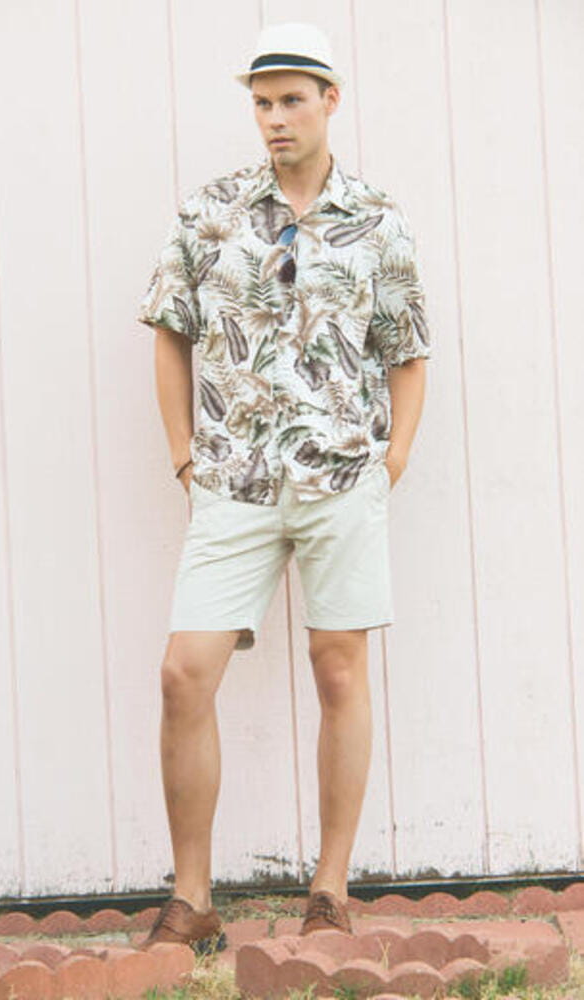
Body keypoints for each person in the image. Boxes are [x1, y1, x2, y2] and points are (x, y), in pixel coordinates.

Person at [135, 22, 431, 952]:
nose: (273, 119)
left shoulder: (379, 220)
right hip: (235, 482)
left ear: (330, 99)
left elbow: (407, 355)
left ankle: (330, 890)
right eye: (261, 103)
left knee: (338, 670)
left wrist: (388, 464)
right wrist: (186, 456)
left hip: (343, 478)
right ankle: (194, 900)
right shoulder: (211, 212)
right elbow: (169, 331)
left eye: (291, 100)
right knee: (185, 674)